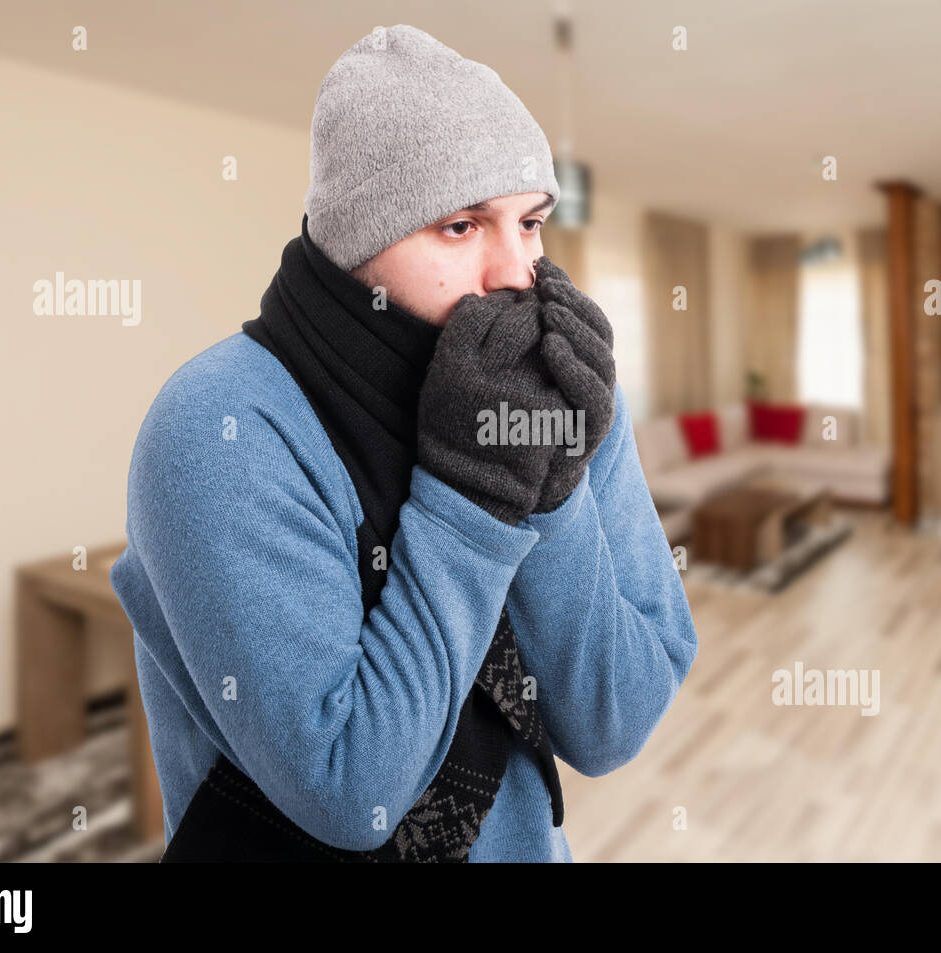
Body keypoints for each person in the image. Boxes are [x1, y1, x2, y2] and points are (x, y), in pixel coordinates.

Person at [110, 22, 697, 863]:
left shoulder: (555, 385)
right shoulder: (218, 425)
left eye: (529, 222)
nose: (515, 274)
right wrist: (471, 497)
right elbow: (356, 791)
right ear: (357, 242)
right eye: (461, 226)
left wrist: (553, 483)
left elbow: (612, 721)